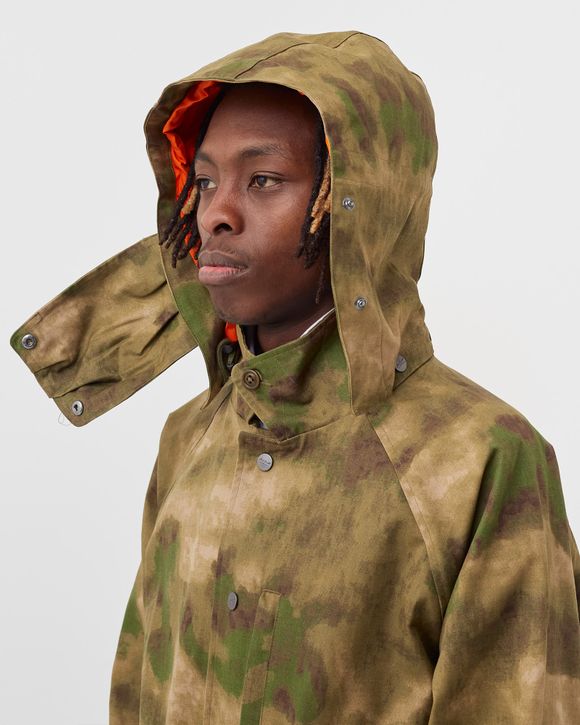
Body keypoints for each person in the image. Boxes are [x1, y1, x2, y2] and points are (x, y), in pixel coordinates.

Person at [10, 30, 579, 724]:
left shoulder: (478, 460)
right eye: (206, 181)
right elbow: (135, 694)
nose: (216, 214)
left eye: (264, 180)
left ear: (360, 206)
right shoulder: (189, 437)